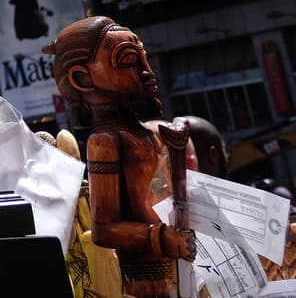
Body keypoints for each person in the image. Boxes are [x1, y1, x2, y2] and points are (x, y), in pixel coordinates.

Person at [45, 16, 196, 298]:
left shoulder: (149, 134)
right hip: (141, 281)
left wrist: (176, 155)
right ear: (82, 78)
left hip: (177, 271)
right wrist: (161, 238)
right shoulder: (104, 142)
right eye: (129, 60)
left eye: (144, 58)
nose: (147, 71)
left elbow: (163, 200)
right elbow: (104, 230)